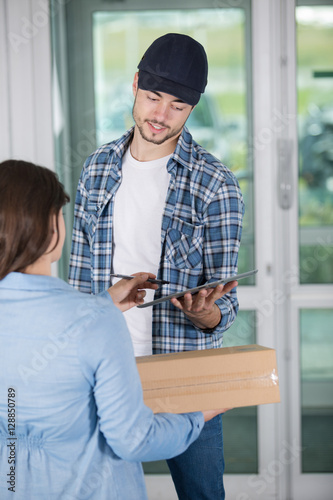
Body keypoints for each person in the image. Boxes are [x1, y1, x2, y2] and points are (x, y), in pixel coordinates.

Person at [69, 33, 244, 499]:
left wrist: (205, 313)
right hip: (106, 369)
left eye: (177, 106)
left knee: (201, 494)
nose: (160, 115)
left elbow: (224, 307)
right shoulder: (98, 168)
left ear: (193, 109)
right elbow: (78, 280)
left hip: (186, 375)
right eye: (152, 97)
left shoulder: (216, 185)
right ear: (135, 85)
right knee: (100, 491)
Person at [0, 159, 226, 500]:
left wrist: (102, 305)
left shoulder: (93, 317)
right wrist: (197, 418)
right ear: (50, 228)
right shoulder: (96, 322)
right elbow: (133, 438)